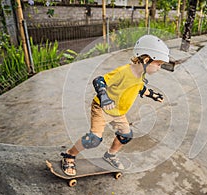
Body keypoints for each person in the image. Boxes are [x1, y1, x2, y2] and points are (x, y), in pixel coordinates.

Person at [61, 35, 170, 176]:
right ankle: (69, 155)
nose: (159, 68)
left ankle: (110, 155)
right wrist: (104, 97)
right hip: (102, 108)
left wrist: (152, 94)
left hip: (118, 112)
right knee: (94, 139)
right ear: (146, 60)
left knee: (126, 135)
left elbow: (139, 87)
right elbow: (99, 80)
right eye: (159, 64)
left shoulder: (141, 74)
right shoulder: (124, 71)